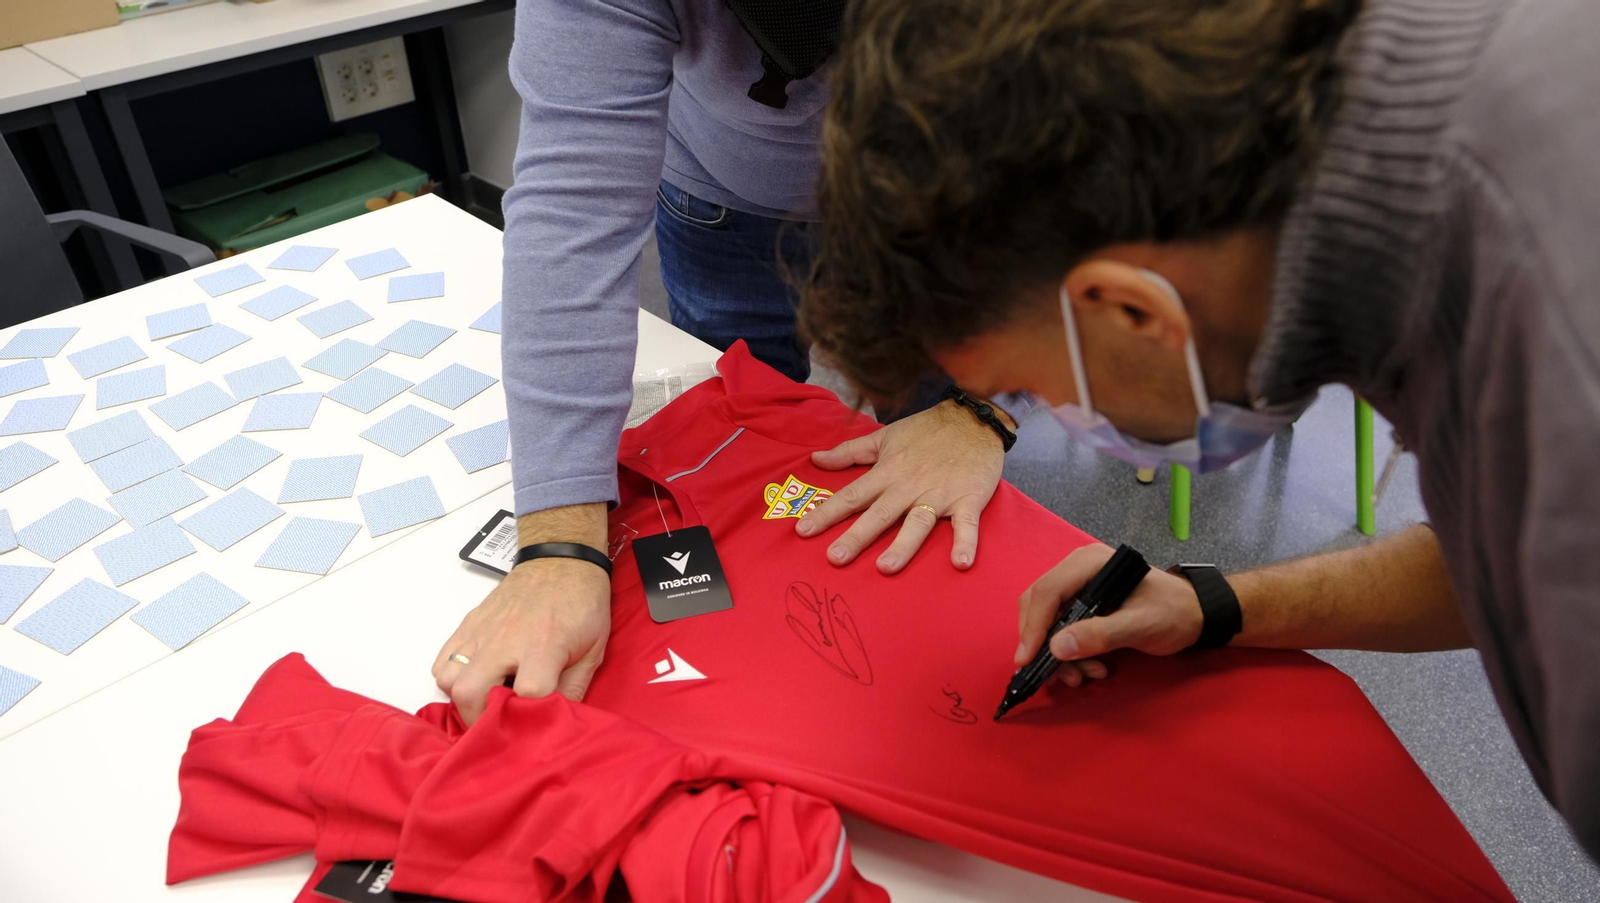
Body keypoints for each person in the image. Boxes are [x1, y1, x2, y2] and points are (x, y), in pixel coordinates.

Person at [798, 0, 1600, 861]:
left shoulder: (1560, 367)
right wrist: (1211, 604)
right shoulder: (1411, 140)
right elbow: (1492, 550)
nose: (1052, 412)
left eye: (1027, 387)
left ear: (1134, 311)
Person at [433, 1, 1029, 722]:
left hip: (961, 207)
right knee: (733, 456)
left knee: (940, 492)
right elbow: (570, 222)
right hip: (723, 200)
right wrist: (559, 546)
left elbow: (1085, 154)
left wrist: (981, 405)